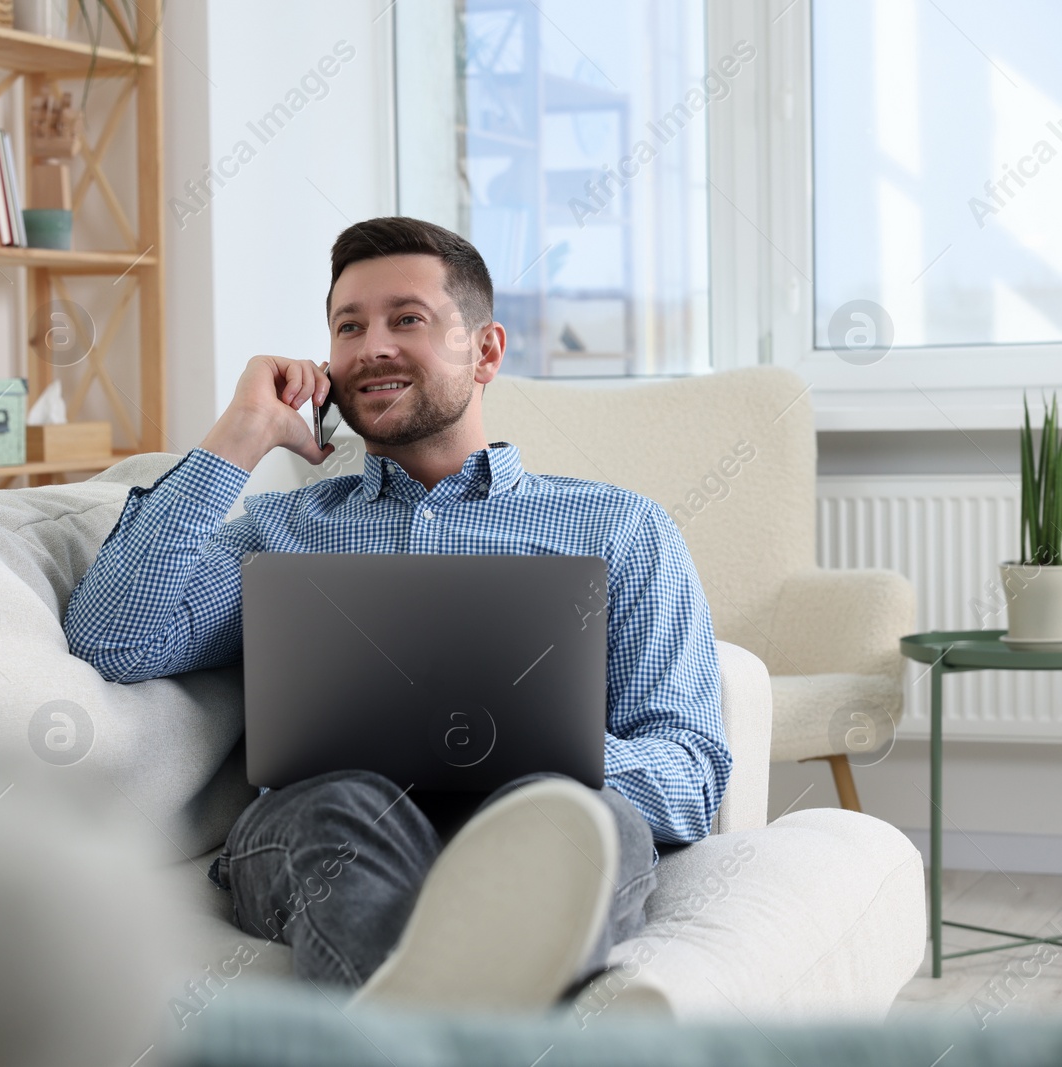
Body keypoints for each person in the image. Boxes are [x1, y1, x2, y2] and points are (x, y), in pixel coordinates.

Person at [63, 216, 731, 1011]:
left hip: (536, 824)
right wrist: (236, 440)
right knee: (343, 807)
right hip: (330, 827)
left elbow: (689, 775)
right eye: (349, 327)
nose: (371, 346)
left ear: (484, 351)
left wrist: (532, 750)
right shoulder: (285, 529)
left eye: (406, 319)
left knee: (583, 816)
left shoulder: (621, 530)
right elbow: (112, 639)